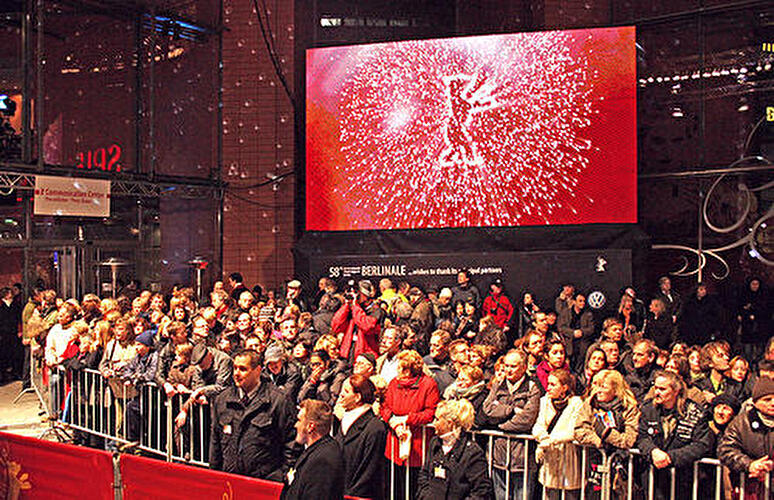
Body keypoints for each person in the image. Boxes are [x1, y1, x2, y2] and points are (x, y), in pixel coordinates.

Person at [210, 349, 297, 480]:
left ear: (258, 371)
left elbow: (292, 443)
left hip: (264, 482)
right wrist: (214, 476)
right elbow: (216, 441)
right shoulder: (222, 399)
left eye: (243, 369)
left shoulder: (278, 401)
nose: (236, 374)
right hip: (230, 481)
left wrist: (280, 476)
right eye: (235, 368)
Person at [636, 370, 712, 500]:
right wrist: (652, 451)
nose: (657, 392)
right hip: (654, 478)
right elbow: (642, 437)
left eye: (662, 389)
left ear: (675, 391)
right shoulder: (648, 409)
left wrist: (670, 457)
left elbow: (701, 445)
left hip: (682, 480)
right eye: (655, 388)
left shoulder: (696, 412)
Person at [480, 349, 541, 500]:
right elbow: (487, 411)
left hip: (522, 458)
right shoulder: (498, 384)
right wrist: (511, 410)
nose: (508, 370)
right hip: (498, 455)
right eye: (506, 365)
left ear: (524, 367)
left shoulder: (533, 388)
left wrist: (499, 426)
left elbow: (526, 420)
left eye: (512, 366)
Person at [380, 349, 440, 499]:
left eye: (400, 367)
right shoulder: (394, 383)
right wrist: (394, 421)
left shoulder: (428, 384)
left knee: (414, 490)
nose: (397, 370)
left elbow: (430, 413)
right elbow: (385, 407)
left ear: (409, 369)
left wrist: (407, 419)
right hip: (394, 445)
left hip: (417, 448)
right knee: (394, 490)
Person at [574, 369, 640, 499]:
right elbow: (579, 430)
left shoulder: (629, 407)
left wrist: (606, 434)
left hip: (622, 465)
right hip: (595, 462)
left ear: (616, 389)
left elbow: (629, 439)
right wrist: (596, 440)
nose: (598, 390)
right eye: (596, 385)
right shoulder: (590, 404)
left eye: (603, 387)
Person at [417, 399, 494, 500]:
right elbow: (424, 475)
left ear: (449, 423)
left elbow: (481, 490)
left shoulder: (472, 452)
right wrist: (426, 496)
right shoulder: (434, 443)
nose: (434, 423)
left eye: (437, 419)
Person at [718, 376, 774, 498]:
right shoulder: (741, 423)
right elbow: (725, 450)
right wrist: (750, 465)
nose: (773, 403)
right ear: (755, 402)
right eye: (767, 399)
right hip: (749, 489)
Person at [532, 369, 583, 500]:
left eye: (553, 384)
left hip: (568, 457)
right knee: (550, 494)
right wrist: (543, 438)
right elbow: (538, 425)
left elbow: (573, 430)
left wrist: (550, 440)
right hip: (550, 459)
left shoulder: (576, 403)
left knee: (570, 495)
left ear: (564, 387)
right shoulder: (544, 401)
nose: (548, 388)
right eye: (548, 384)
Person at [335, 375, 387, 500]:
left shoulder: (375, 427)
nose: (340, 394)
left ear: (358, 397)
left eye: (346, 391)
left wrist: (350, 496)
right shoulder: (343, 422)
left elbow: (369, 470)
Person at [280, 399, 344, 500]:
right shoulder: (317, 451)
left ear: (310, 426)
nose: (296, 425)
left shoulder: (323, 460)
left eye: (299, 420)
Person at [331, 280, 384, 363]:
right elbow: (336, 326)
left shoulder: (376, 311)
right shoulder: (354, 309)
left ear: (366, 295)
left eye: (357, 293)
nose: (355, 296)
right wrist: (346, 306)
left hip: (365, 356)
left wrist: (355, 306)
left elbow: (366, 326)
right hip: (348, 353)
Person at [556, 291, 594, 371]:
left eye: (584, 301)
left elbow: (591, 329)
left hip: (582, 346)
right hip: (569, 345)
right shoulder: (566, 313)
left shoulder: (588, 314)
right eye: (580, 301)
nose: (582, 303)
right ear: (574, 302)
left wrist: (582, 332)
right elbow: (561, 327)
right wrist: (573, 333)